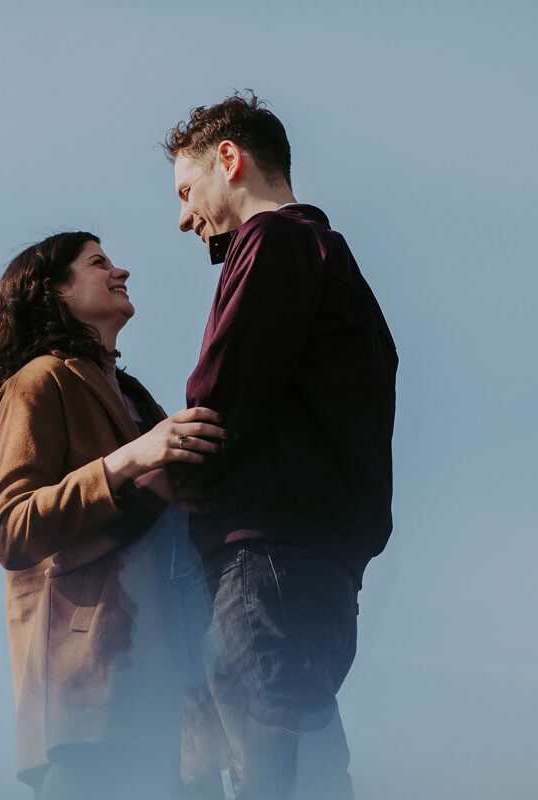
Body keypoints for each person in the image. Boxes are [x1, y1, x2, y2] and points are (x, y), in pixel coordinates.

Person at [152, 93, 399, 798]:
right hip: (318, 576)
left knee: (272, 781)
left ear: (228, 160)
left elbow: (216, 401)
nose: (182, 216)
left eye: (185, 189)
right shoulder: (336, 266)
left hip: (265, 570)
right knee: (310, 776)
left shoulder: (276, 242)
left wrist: (138, 479)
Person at [0, 232, 227, 800]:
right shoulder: (39, 381)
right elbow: (11, 528)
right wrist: (129, 459)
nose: (121, 271)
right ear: (54, 292)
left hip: (177, 711)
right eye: (98, 263)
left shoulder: (135, 397)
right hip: (91, 706)